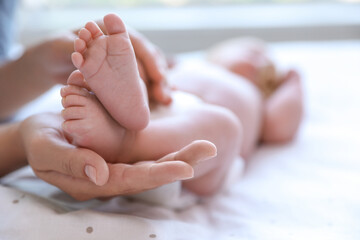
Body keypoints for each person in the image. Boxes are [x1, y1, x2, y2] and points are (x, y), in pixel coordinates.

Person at [59, 13, 303, 197]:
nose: (263, 62)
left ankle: (125, 142)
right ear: (214, 54)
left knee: (224, 125)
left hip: (201, 160)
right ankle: (117, 108)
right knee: (145, 82)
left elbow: (281, 125)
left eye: (267, 60)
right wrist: (150, 73)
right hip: (154, 112)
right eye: (252, 52)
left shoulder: (259, 100)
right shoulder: (189, 66)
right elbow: (160, 72)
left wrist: (293, 81)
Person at [0, 5, 211, 200]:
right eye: (243, 52)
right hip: (170, 104)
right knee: (223, 124)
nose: (246, 59)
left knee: (221, 123)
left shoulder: (222, 77)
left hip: (167, 101)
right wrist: (16, 141)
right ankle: (124, 126)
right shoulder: (203, 68)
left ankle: (120, 117)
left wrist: (34, 65)